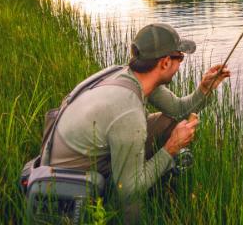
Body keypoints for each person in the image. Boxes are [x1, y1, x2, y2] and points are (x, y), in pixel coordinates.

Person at [46, 23, 230, 221]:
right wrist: (171, 148)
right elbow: (127, 190)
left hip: (83, 154)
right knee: (131, 193)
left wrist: (205, 88)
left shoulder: (129, 75)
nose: (180, 65)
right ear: (165, 62)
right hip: (73, 183)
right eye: (180, 58)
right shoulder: (128, 111)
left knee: (169, 120)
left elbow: (178, 110)